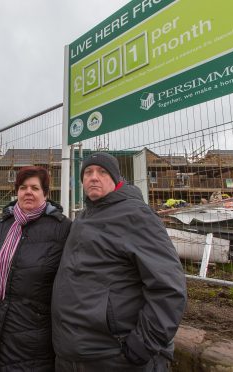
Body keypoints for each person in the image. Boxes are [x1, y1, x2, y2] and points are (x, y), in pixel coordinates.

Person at [52, 153, 187, 372]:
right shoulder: (83, 219)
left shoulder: (136, 215)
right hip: (74, 354)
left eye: (102, 172)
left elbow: (168, 287)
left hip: (114, 356)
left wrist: (144, 343)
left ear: (116, 179)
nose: (94, 177)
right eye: (88, 172)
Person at [0, 166, 72, 371]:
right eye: (23, 187)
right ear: (16, 191)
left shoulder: (62, 228)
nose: (28, 192)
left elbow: (69, 285)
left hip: (30, 333)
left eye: (35, 188)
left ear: (45, 193)